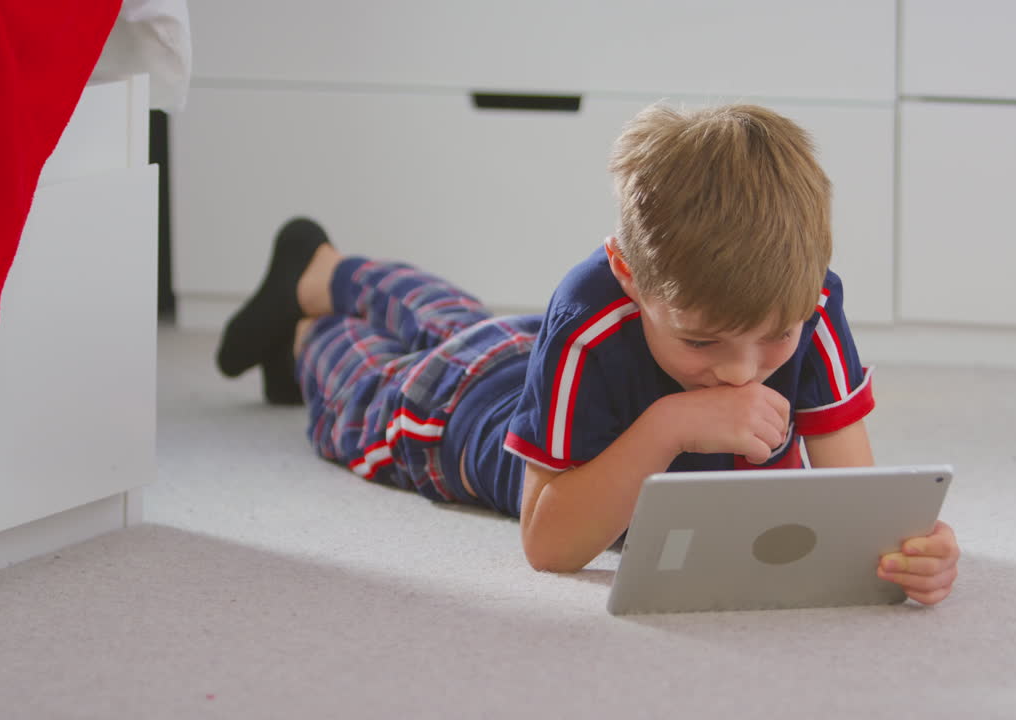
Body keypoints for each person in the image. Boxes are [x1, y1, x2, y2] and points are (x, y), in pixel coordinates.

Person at [216, 104, 960, 605]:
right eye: (701, 341)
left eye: (775, 339)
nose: (741, 371)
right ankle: (306, 329)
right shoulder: (587, 314)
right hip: (457, 409)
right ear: (631, 280)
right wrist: (671, 424)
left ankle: (320, 268)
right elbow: (549, 545)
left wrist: (913, 553)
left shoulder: (811, 301)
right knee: (373, 384)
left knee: (456, 318)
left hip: (530, 354)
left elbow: (855, 505)